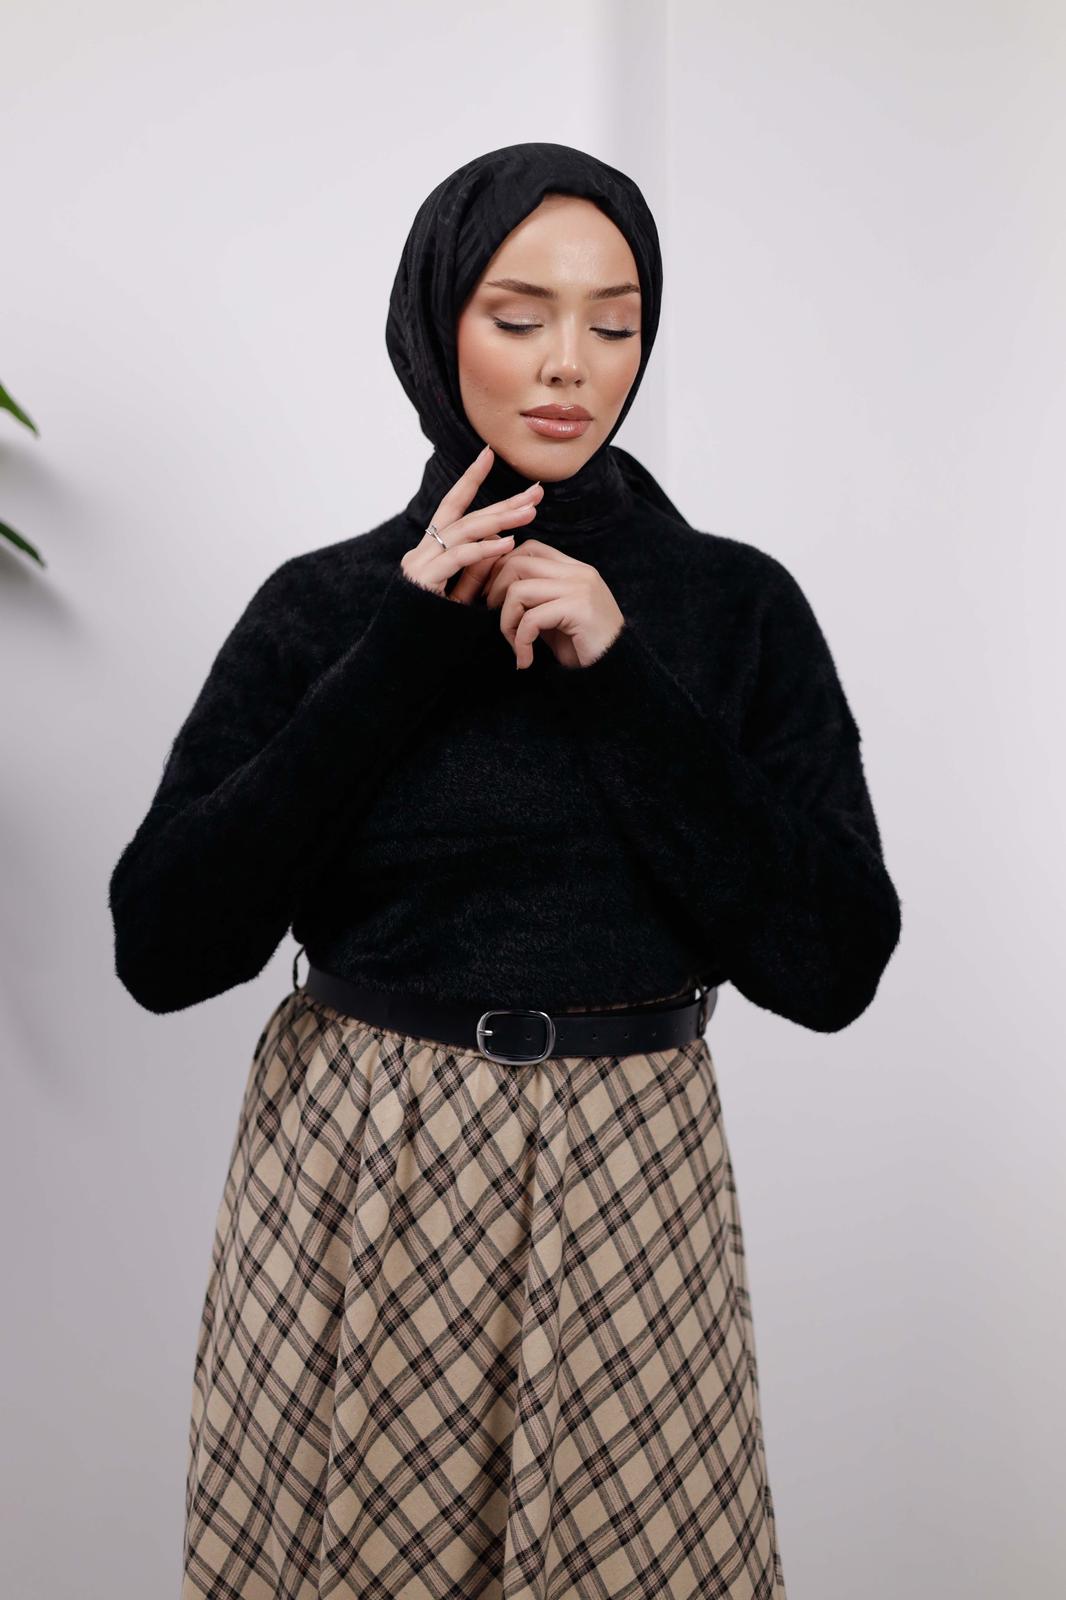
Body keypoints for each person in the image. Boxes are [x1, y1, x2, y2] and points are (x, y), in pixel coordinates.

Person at [109, 141, 901, 1599]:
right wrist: (399, 650)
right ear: (436, 322)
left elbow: (834, 964)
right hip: (359, 1168)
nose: (569, 366)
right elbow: (165, 947)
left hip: (632, 1171)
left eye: (615, 324)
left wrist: (625, 678)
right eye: (518, 315)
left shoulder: (732, 607)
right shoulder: (326, 607)